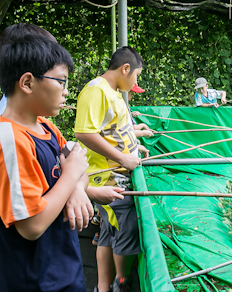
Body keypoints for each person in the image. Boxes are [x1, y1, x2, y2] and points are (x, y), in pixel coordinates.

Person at [0, 35, 91, 290]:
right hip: (33, 281)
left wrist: (76, 186)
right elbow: (32, 225)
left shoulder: (46, 126)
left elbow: (79, 163)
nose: (66, 91)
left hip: (65, 271)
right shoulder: (9, 142)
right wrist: (71, 176)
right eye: (61, 82)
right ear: (28, 83)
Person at [75, 46, 149, 292]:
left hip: (116, 178)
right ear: (125, 68)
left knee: (107, 235)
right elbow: (84, 133)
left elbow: (116, 132)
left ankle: (104, 287)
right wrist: (124, 159)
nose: (136, 81)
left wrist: (135, 146)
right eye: (136, 75)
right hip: (110, 181)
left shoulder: (114, 93)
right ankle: (121, 283)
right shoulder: (96, 90)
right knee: (124, 233)